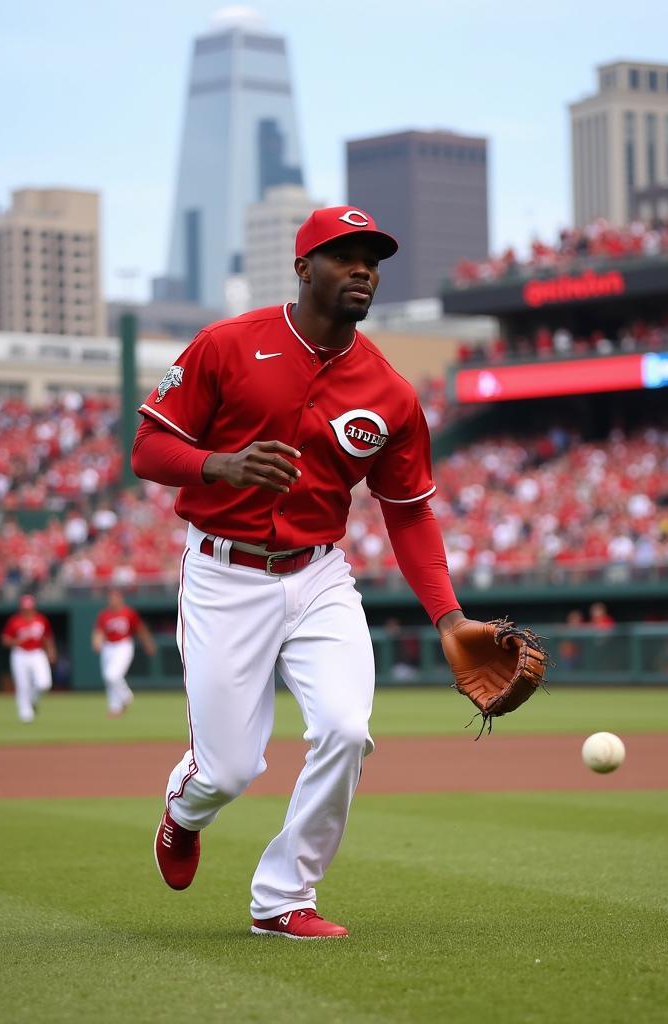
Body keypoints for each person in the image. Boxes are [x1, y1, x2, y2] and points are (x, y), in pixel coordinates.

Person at [131, 206, 480, 940]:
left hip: (320, 574)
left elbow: (409, 513)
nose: (362, 270)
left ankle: (284, 897)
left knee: (348, 730)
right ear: (302, 268)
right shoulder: (227, 344)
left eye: (372, 260)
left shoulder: (389, 391)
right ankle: (183, 812)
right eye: (344, 256)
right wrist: (217, 465)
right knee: (227, 771)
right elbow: (148, 450)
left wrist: (448, 617)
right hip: (225, 572)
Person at [92, 588, 157, 717]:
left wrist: (148, 643)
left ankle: (126, 697)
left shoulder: (129, 613)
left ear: (120, 599)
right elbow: (99, 631)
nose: (111, 601)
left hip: (123, 645)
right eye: (110, 598)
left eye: (114, 598)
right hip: (108, 646)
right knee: (108, 678)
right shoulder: (104, 615)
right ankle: (114, 708)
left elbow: (140, 629)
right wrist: (97, 642)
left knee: (113, 675)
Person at [0, 594, 56, 723]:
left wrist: (51, 651)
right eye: (25, 608)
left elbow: (47, 638)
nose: (27, 610)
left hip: (37, 653)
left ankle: (32, 699)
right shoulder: (15, 621)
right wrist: (16, 641)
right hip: (20, 654)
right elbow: (5, 639)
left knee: (44, 683)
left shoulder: (41, 619)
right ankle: (25, 713)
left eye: (29, 608)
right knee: (22, 685)